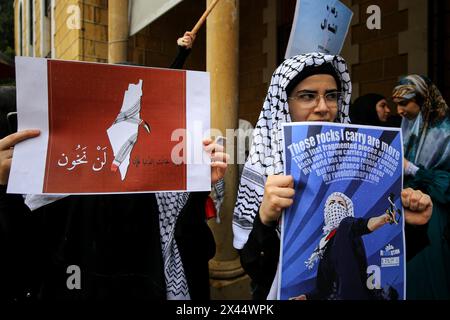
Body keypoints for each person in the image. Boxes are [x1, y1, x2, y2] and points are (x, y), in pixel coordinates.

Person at [0, 32, 227, 302]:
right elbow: (24, 256)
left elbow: (195, 249)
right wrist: (4, 188)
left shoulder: (163, 188)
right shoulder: (62, 186)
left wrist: (197, 185)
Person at [232, 52, 433, 300]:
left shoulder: (363, 161)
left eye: (331, 96)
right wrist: (265, 218)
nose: (323, 108)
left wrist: (410, 226)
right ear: (284, 102)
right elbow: (256, 268)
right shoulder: (264, 166)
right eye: (307, 96)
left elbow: (377, 258)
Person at [392, 74, 450, 300]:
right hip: (406, 209)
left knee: (428, 272)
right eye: (397, 104)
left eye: (404, 103)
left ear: (423, 100)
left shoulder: (445, 132)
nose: (399, 111)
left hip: (435, 215)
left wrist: (413, 170)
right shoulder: (407, 126)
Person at [293, 192, 396, 300]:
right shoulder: (325, 244)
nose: (335, 206)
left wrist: (382, 219)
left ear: (348, 210)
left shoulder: (347, 226)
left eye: (341, 204)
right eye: (332, 203)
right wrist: (306, 297)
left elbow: (361, 225)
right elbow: (323, 288)